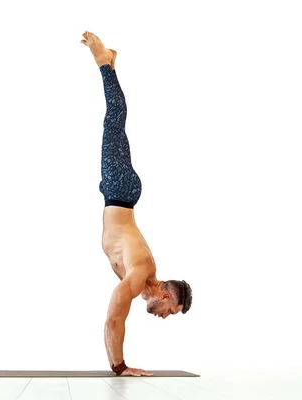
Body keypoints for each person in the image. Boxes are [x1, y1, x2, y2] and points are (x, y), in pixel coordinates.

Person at [81, 31, 193, 377]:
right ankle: (104, 62)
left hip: (118, 194)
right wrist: (120, 367)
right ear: (164, 293)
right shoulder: (141, 272)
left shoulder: (143, 275)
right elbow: (114, 316)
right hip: (119, 189)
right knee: (114, 119)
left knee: (116, 124)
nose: (164, 315)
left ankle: (109, 62)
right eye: (170, 309)